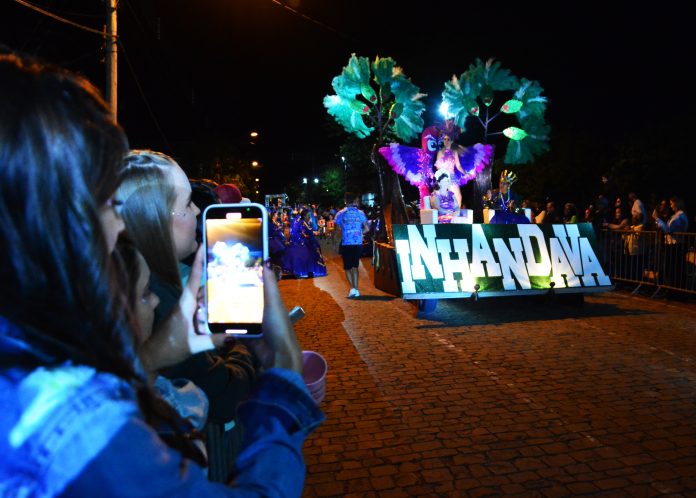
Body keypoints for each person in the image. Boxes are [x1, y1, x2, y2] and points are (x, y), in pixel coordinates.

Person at [0, 52, 323, 496]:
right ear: (53, 216)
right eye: (107, 202)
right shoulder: (70, 422)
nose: (118, 224)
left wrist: (152, 355)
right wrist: (283, 375)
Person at [116, 150, 258, 481]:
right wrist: (249, 347)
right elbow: (220, 394)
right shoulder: (152, 298)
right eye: (188, 202)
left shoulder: (158, 282)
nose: (196, 211)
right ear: (154, 217)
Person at [334, 192, 369, 298]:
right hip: (358, 243)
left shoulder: (340, 214)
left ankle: (353, 289)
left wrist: (342, 233)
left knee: (347, 267)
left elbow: (338, 229)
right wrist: (359, 233)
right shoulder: (360, 213)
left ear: (345, 201)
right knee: (355, 266)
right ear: (354, 201)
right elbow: (367, 228)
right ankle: (356, 289)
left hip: (346, 243)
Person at [654, 196, 689, 287]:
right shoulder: (677, 215)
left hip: (676, 245)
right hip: (673, 245)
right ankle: (672, 288)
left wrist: (657, 219)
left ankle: (676, 289)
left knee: (675, 268)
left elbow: (669, 230)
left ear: (677, 203)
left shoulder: (680, 216)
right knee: (672, 268)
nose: (671, 206)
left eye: (671, 203)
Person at [282, 209, 327, 279]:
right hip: (304, 242)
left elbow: (309, 231)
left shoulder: (306, 222)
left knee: (314, 249)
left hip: (307, 241)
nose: (309, 217)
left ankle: (310, 270)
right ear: (304, 216)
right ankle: (307, 270)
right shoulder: (302, 223)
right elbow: (304, 233)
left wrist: (314, 232)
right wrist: (313, 233)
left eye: (310, 215)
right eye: (308, 215)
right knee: (311, 250)